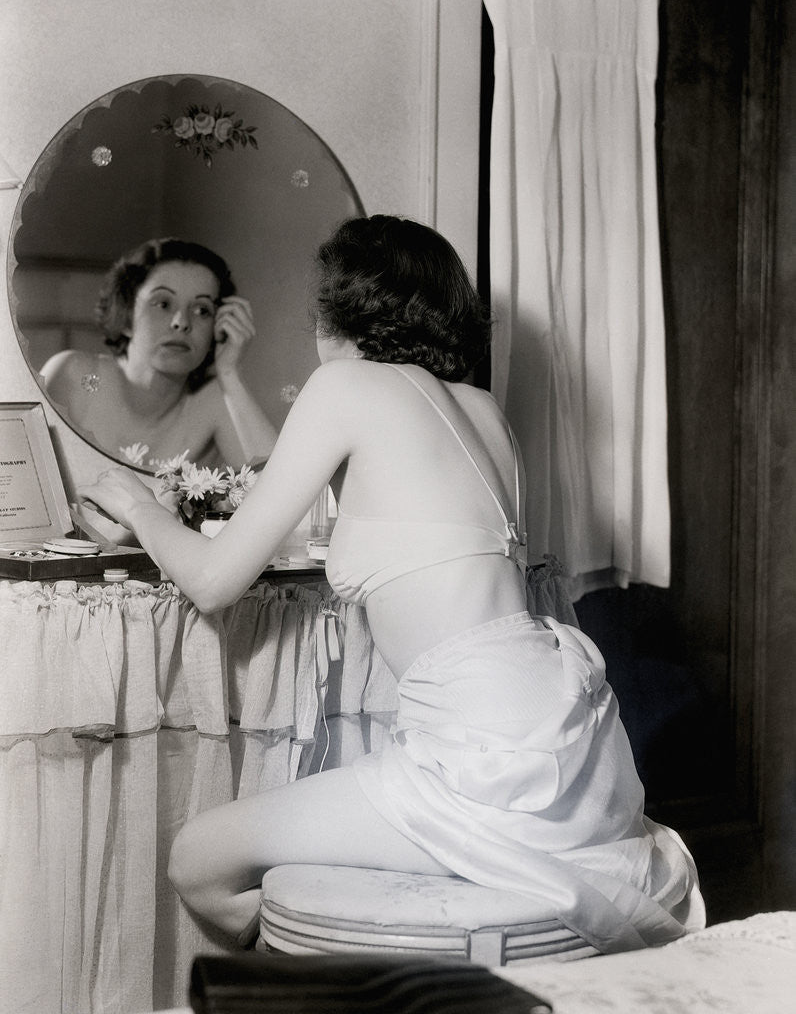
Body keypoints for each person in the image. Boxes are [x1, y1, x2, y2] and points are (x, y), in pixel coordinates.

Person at [79, 214, 705, 955]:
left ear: (337, 313)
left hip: (481, 754)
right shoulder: (484, 412)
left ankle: (345, 985)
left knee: (197, 861)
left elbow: (215, 583)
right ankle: (394, 962)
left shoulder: (344, 385)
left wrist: (140, 506)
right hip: (575, 741)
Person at [41, 237, 278, 469]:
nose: (181, 322)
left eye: (202, 310)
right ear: (126, 315)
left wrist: (230, 372)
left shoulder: (214, 399)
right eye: (163, 304)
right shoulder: (72, 374)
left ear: (218, 326)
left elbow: (277, 487)